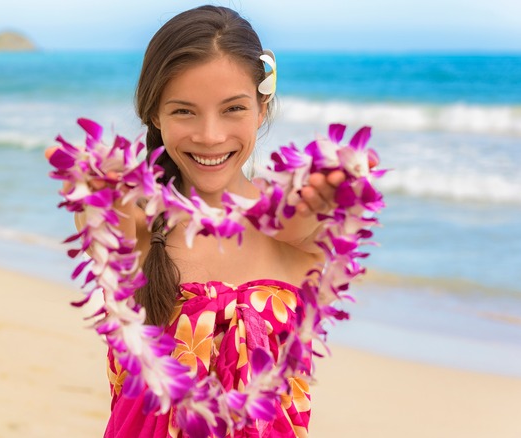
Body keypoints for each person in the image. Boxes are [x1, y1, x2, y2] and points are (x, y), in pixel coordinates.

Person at [72, 5, 345, 438]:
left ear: (261, 107)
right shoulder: (139, 228)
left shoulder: (300, 229)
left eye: (233, 108)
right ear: (154, 116)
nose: (211, 135)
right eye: (184, 111)